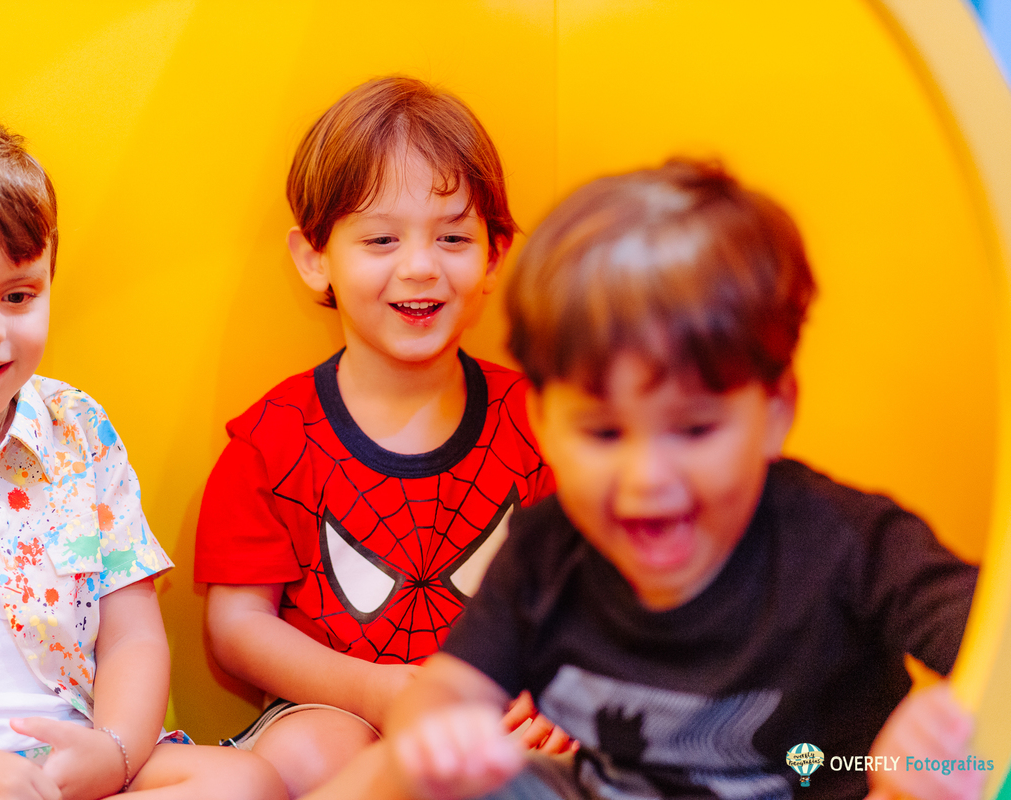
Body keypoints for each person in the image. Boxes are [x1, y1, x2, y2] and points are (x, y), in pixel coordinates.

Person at [303, 160, 982, 800]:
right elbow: (453, 685)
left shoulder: (848, 545)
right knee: (409, 772)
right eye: (603, 433)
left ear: (775, 413)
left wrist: (936, 733)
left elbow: (993, 640)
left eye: (693, 431)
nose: (647, 480)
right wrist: (441, 726)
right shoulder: (547, 550)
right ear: (544, 419)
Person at [0, 97, 285, 800]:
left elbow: (132, 638)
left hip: (65, 767)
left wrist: (113, 753)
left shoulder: (77, 429)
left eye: (17, 294)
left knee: (246, 782)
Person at [195, 76, 564, 797]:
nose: (420, 265)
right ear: (314, 258)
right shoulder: (273, 439)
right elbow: (237, 629)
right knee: (318, 750)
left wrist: (553, 689)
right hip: (335, 707)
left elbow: (591, 589)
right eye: (382, 238)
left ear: (494, 254)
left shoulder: (542, 422)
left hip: (497, 707)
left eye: (453, 236)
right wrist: (374, 693)